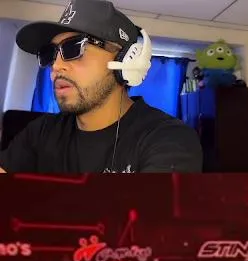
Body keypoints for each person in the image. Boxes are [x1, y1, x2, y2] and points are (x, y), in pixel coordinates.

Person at [1, 0, 202, 173]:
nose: (56, 66)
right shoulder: (41, 132)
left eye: (74, 48)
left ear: (126, 61)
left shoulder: (169, 139)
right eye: (50, 54)